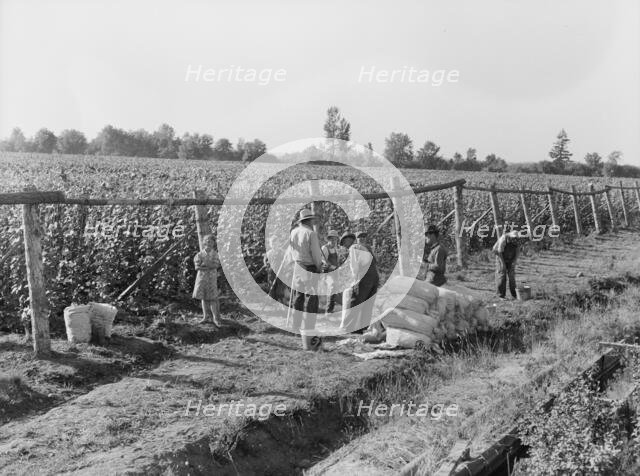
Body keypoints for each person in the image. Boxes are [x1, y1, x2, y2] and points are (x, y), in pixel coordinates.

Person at [288, 208, 324, 349]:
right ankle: (309, 327)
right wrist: (319, 266)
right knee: (311, 298)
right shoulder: (311, 234)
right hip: (309, 267)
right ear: (308, 221)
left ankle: (296, 326)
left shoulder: (294, 232)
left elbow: (291, 250)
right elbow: (315, 253)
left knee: (298, 296)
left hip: (297, 266)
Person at [340, 231, 379, 332]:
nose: (362, 238)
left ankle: (350, 328)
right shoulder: (363, 248)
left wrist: (355, 280)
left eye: (363, 236)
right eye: (360, 237)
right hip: (372, 278)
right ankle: (360, 329)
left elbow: (354, 265)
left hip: (366, 277)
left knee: (357, 302)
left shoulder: (356, 247)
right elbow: (356, 264)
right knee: (366, 304)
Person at [193, 234, 224, 326]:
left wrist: (205, 265)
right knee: (204, 297)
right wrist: (206, 266)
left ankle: (216, 318)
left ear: (213, 243)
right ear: (203, 243)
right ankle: (205, 316)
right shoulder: (199, 254)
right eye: (206, 241)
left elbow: (216, 265)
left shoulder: (215, 254)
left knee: (213, 297)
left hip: (211, 278)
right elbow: (197, 267)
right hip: (202, 278)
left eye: (210, 242)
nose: (208, 243)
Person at [493, 230, 519, 299]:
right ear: (510, 236)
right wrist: (503, 264)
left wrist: (514, 262)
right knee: (502, 275)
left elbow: (517, 251)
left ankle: (515, 294)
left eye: (515, 238)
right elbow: (499, 252)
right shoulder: (503, 239)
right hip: (500, 256)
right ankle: (501, 295)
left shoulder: (517, 240)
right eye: (513, 238)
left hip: (510, 258)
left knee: (511, 276)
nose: (514, 239)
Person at [321, 229, 340, 314]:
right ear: (328, 239)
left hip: (335, 272)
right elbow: (323, 259)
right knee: (332, 288)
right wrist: (330, 266)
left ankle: (331, 310)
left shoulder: (335, 249)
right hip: (328, 272)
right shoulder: (325, 248)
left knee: (335, 290)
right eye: (331, 238)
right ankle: (328, 311)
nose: (333, 240)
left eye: (335, 239)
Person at [264, 235, 286, 303]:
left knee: (280, 287)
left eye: (276, 243)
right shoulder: (269, 253)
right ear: (270, 244)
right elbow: (265, 260)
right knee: (272, 286)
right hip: (272, 272)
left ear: (279, 243)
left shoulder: (282, 252)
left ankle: (281, 300)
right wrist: (266, 265)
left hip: (281, 272)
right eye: (273, 243)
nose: (274, 245)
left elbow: (286, 260)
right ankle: (273, 301)